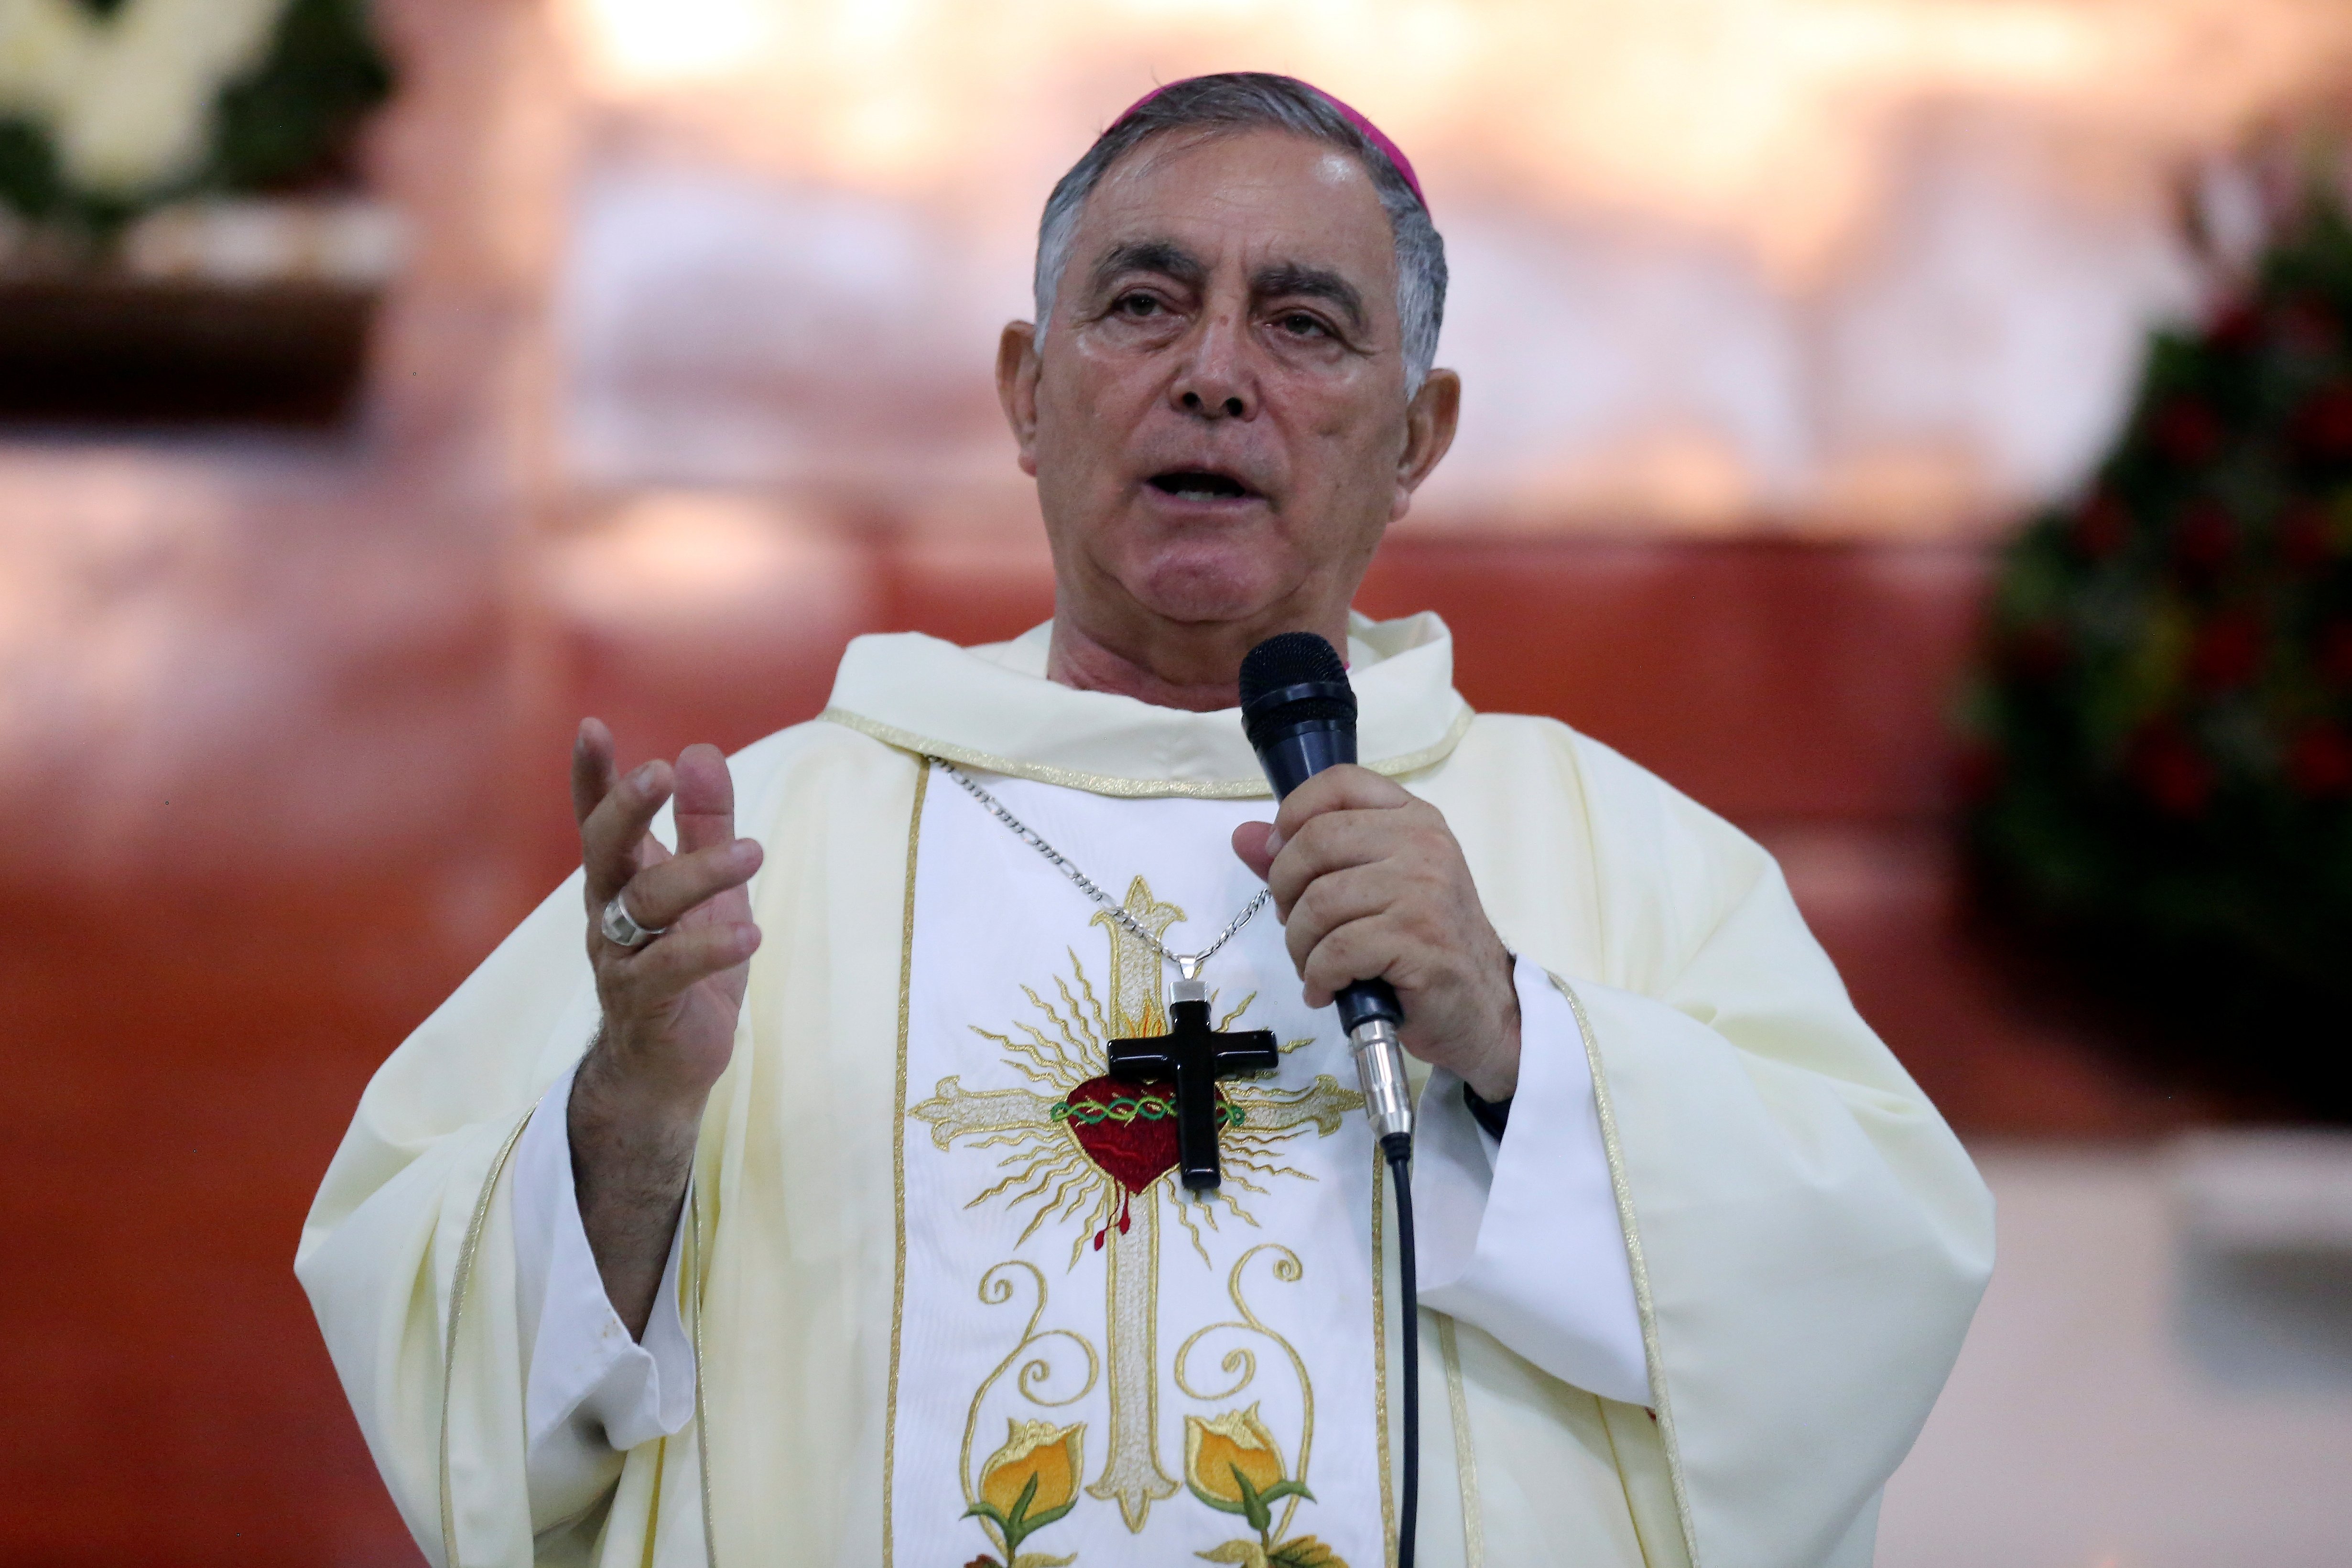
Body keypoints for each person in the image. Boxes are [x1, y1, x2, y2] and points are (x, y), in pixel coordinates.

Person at [300, 73, 1991, 1568]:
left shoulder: (1619, 857)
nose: (1213, 376)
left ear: (1418, 438)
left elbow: (1871, 1281)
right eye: (1144, 303)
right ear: (1028, 393)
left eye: (1303, 323)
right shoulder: (762, 853)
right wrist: (633, 1114)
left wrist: (1521, 1042)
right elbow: (434, 1353)